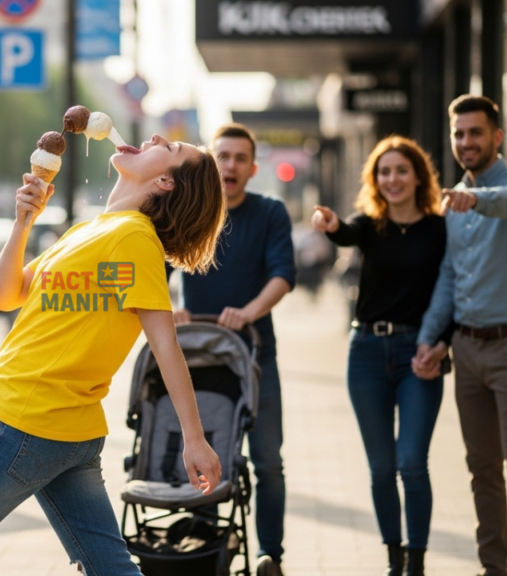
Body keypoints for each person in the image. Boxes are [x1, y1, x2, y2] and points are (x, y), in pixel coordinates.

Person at [0, 135, 226, 576]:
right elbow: (5, 295)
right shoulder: (91, 231)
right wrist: (23, 221)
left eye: (169, 147)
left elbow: (164, 344)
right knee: (111, 570)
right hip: (64, 430)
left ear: (166, 180)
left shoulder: (134, 239)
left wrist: (194, 437)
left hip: (25, 420)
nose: (153, 138)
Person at [413, 95, 507, 576]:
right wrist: (431, 339)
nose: (466, 142)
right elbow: (451, 277)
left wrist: (477, 199)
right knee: (482, 470)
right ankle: (493, 568)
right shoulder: (454, 199)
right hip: (468, 351)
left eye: (476, 132)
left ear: (496, 137)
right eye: (459, 134)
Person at [312, 136, 449, 576]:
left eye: (401, 170)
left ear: (418, 177)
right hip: (367, 354)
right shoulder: (370, 225)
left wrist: (444, 343)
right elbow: (345, 232)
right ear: (375, 179)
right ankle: (393, 557)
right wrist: (330, 223)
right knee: (380, 468)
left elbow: (452, 292)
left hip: (419, 355)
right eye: (384, 172)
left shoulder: (439, 229)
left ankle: (416, 561)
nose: (392, 179)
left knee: (411, 461)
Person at [170, 123, 295, 576]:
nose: (231, 165)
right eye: (223, 156)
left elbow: (282, 275)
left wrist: (248, 311)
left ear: (252, 168)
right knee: (202, 457)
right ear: (211, 162)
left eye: (241, 158)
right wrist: (176, 306)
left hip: (255, 357)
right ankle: (202, 544)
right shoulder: (193, 208)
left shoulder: (270, 213)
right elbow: (163, 266)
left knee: (268, 462)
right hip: (199, 360)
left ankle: (271, 556)